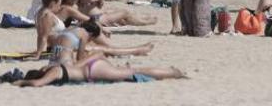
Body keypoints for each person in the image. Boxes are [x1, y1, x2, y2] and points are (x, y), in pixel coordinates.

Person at [12, 53, 185, 87]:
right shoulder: (52, 67)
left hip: (93, 71)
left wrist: (21, 82)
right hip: (91, 63)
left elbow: (37, 83)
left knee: (136, 71)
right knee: (135, 70)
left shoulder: (53, 73)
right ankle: (172, 71)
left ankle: (174, 73)